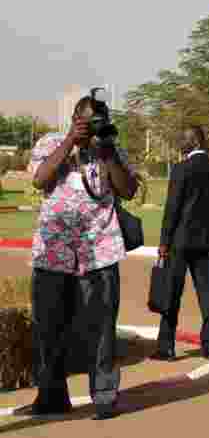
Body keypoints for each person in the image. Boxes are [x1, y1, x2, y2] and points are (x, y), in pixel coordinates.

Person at [28, 92, 139, 420]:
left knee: (102, 329)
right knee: (48, 328)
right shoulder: (51, 143)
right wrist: (70, 143)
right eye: (87, 122)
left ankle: (104, 397)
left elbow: (129, 189)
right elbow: (39, 179)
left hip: (100, 252)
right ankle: (51, 396)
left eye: (98, 122)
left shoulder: (110, 147)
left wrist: (106, 155)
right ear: (75, 119)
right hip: (53, 253)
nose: (92, 128)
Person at [154, 126, 209, 361]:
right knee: (208, 294)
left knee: (172, 293)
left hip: (180, 241)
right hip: (207, 243)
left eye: (183, 139)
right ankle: (208, 345)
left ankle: (166, 347)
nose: (180, 143)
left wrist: (164, 241)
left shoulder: (181, 169)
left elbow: (172, 208)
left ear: (195, 142)